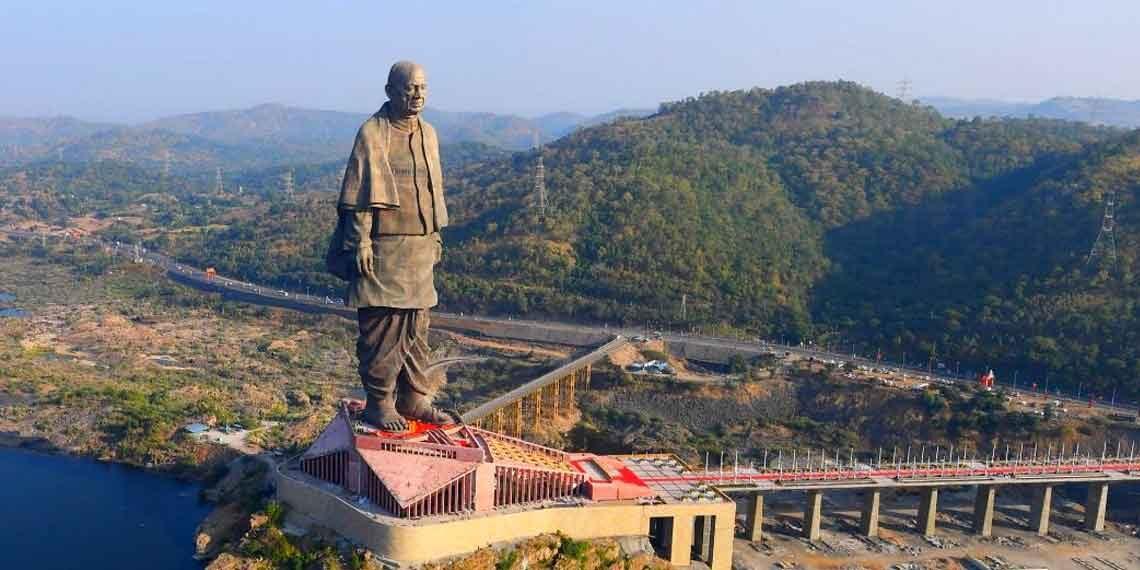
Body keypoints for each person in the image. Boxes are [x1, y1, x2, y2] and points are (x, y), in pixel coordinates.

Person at [326, 60, 454, 432]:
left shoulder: (429, 133)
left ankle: (414, 396)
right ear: (389, 91)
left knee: (417, 325)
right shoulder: (373, 133)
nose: (417, 95)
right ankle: (380, 402)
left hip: (419, 245)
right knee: (383, 326)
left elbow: (431, 190)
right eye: (409, 88)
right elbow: (360, 195)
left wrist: (435, 236)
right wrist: (361, 241)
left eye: (423, 88)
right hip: (383, 246)